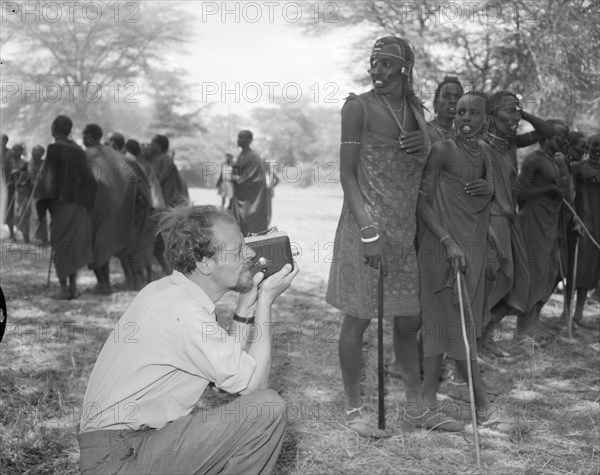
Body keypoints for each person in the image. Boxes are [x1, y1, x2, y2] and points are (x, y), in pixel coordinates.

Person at [78, 204, 299, 474]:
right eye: (239, 249)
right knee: (268, 409)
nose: (251, 253)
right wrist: (265, 303)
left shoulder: (168, 293)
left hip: (124, 448)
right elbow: (255, 387)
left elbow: (227, 379)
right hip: (120, 458)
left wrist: (244, 309)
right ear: (205, 263)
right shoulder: (186, 315)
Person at [326, 36, 432, 437]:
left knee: (408, 320)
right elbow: (347, 174)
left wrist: (427, 140)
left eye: (387, 63)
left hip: (404, 233)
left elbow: (431, 156)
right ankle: (355, 411)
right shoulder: (358, 107)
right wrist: (369, 230)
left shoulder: (417, 111)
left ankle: (415, 405)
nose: (377, 70)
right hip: (365, 229)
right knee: (358, 320)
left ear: (405, 67)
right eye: (374, 62)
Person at [479, 91, 554, 352]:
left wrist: (522, 112)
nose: (515, 117)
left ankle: (485, 337)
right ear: (491, 115)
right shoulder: (480, 145)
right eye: (509, 111)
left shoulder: (510, 143)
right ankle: (476, 344)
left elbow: (546, 131)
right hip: (490, 223)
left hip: (510, 221)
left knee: (518, 284)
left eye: (517, 111)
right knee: (497, 282)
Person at [515, 121, 571, 341]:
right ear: (546, 137)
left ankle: (533, 325)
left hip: (550, 224)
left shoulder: (555, 162)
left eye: (566, 138)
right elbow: (519, 194)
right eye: (560, 138)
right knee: (533, 275)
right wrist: (547, 189)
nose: (564, 142)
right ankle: (521, 332)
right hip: (533, 223)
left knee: (550, 274)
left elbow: (566, 192)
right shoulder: (533, 160)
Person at [35, 115, 96, 299]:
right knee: (73, 245)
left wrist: (42, 202)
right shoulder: (78, 151)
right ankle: (73, 287)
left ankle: (63, 290)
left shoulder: (53, 148)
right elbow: (91, 181)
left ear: (54, 129)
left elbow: (49, 179)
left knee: (61, 245)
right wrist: (88, 203)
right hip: (78, 205)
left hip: (60, 205)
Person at [84, 124, 136, 294]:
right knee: (102, 244)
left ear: (91, 137)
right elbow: (129, 175)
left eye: (85, 136)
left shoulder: (90, 154)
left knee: (94, 244)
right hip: (113, 205)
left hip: (96, 205)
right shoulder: (112, 154)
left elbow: (84, 179)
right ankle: (104, 283)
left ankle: (103, 284)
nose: (83, 140)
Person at [570, 134, 600, 322]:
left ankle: (580, 311)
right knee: (578, 267)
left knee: (592, 270)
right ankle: (568, 311)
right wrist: (574, 219)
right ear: (588, 147)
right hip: (583, 222)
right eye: (595, 145)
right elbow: (569, 195)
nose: (598, 149)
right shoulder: (577, 168)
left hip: (598, 226)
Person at [126, 138, 165, 284]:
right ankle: (151, 276)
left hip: (149, 209)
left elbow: (142, 190)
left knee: (142, 245)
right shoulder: (145, 165)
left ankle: (142, 279)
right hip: (156, 208)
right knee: (151, 245)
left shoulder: (135, 165)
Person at [149, 134, 188, 275]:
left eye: (152, 143)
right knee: (158, 243)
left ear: (158, 146)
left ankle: (171, 271)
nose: (149, 146)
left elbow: (157, 181)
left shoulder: (163, 159)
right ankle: (168, 271)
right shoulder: (162, 159)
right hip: (167, 206)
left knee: (164, 242)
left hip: (168, 206)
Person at [231, 130, 269, 236]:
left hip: (250, 197)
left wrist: (237, 179)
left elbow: (254, 178)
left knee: (249, 221)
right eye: (238, 137)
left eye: (242, 138)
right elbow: (237, 172)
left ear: (250, 140)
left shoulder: (254, 156)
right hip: (238, 195)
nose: (239, 140)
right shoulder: (240, 155)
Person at [428, 76, 463, 142]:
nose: (453, 101)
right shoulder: (424, 131)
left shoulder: (463, 136)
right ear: (436, 101)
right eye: (447, 96)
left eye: (457, 97)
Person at [10, 144, 32, 243]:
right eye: (13, 150)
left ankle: (26, 237)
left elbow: (28, 177)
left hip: (24, 191)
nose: (14, 152)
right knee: (17, 215)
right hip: (17, 192)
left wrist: (19, 175)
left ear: (20, 151)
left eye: (16, 150)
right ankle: (17, 235)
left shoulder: (24, 163)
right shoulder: (12, 162)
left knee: (23, 214)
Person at [29, 145, 49, 246]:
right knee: (35, 216)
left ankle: (44, 239)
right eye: (33, 151)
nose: (32, 153)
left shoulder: (44, 163)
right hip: (35, 194)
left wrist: (40, 179)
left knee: (41, 216)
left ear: (41, 153)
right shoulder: (31, 163)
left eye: (35, 151)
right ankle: (38, 238)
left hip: (43, 195)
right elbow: (30, 177)